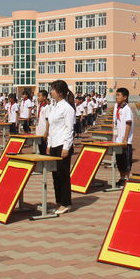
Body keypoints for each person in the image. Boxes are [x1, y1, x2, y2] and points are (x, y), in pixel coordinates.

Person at [46, 80, 76, 215]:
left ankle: (66, 203)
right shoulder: (54, 106)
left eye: (53, 89)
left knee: (63, 175)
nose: (51, 92)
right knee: (55, 175)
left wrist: (66, 147)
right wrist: (48, 144)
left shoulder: (67, 108)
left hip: (62, 145)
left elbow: (70, 129)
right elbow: (51, 127)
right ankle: (59, 202)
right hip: (54, 144)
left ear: (60, 92)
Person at [113, 88, 134, 183]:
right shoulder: (117, 107)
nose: (116, 97)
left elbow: (128, 124)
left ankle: (127, 178)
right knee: (120, 161)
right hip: (118, 140)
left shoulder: (127, 109)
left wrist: (125, 139)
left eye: (118, 95)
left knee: (127, 161)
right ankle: (121, 178)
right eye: (116, 95)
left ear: (125, 97)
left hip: (125, 140)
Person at [34, 90, 50, 155]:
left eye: (40, 96)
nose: (38, 97)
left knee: (44, 149)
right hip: (39, 129)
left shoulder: (47, 107)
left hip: (43, 130)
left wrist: (46, 131)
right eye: (38, 96)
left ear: (44, 97)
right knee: (40, 148)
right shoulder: (39, 105)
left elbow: (47, 120)